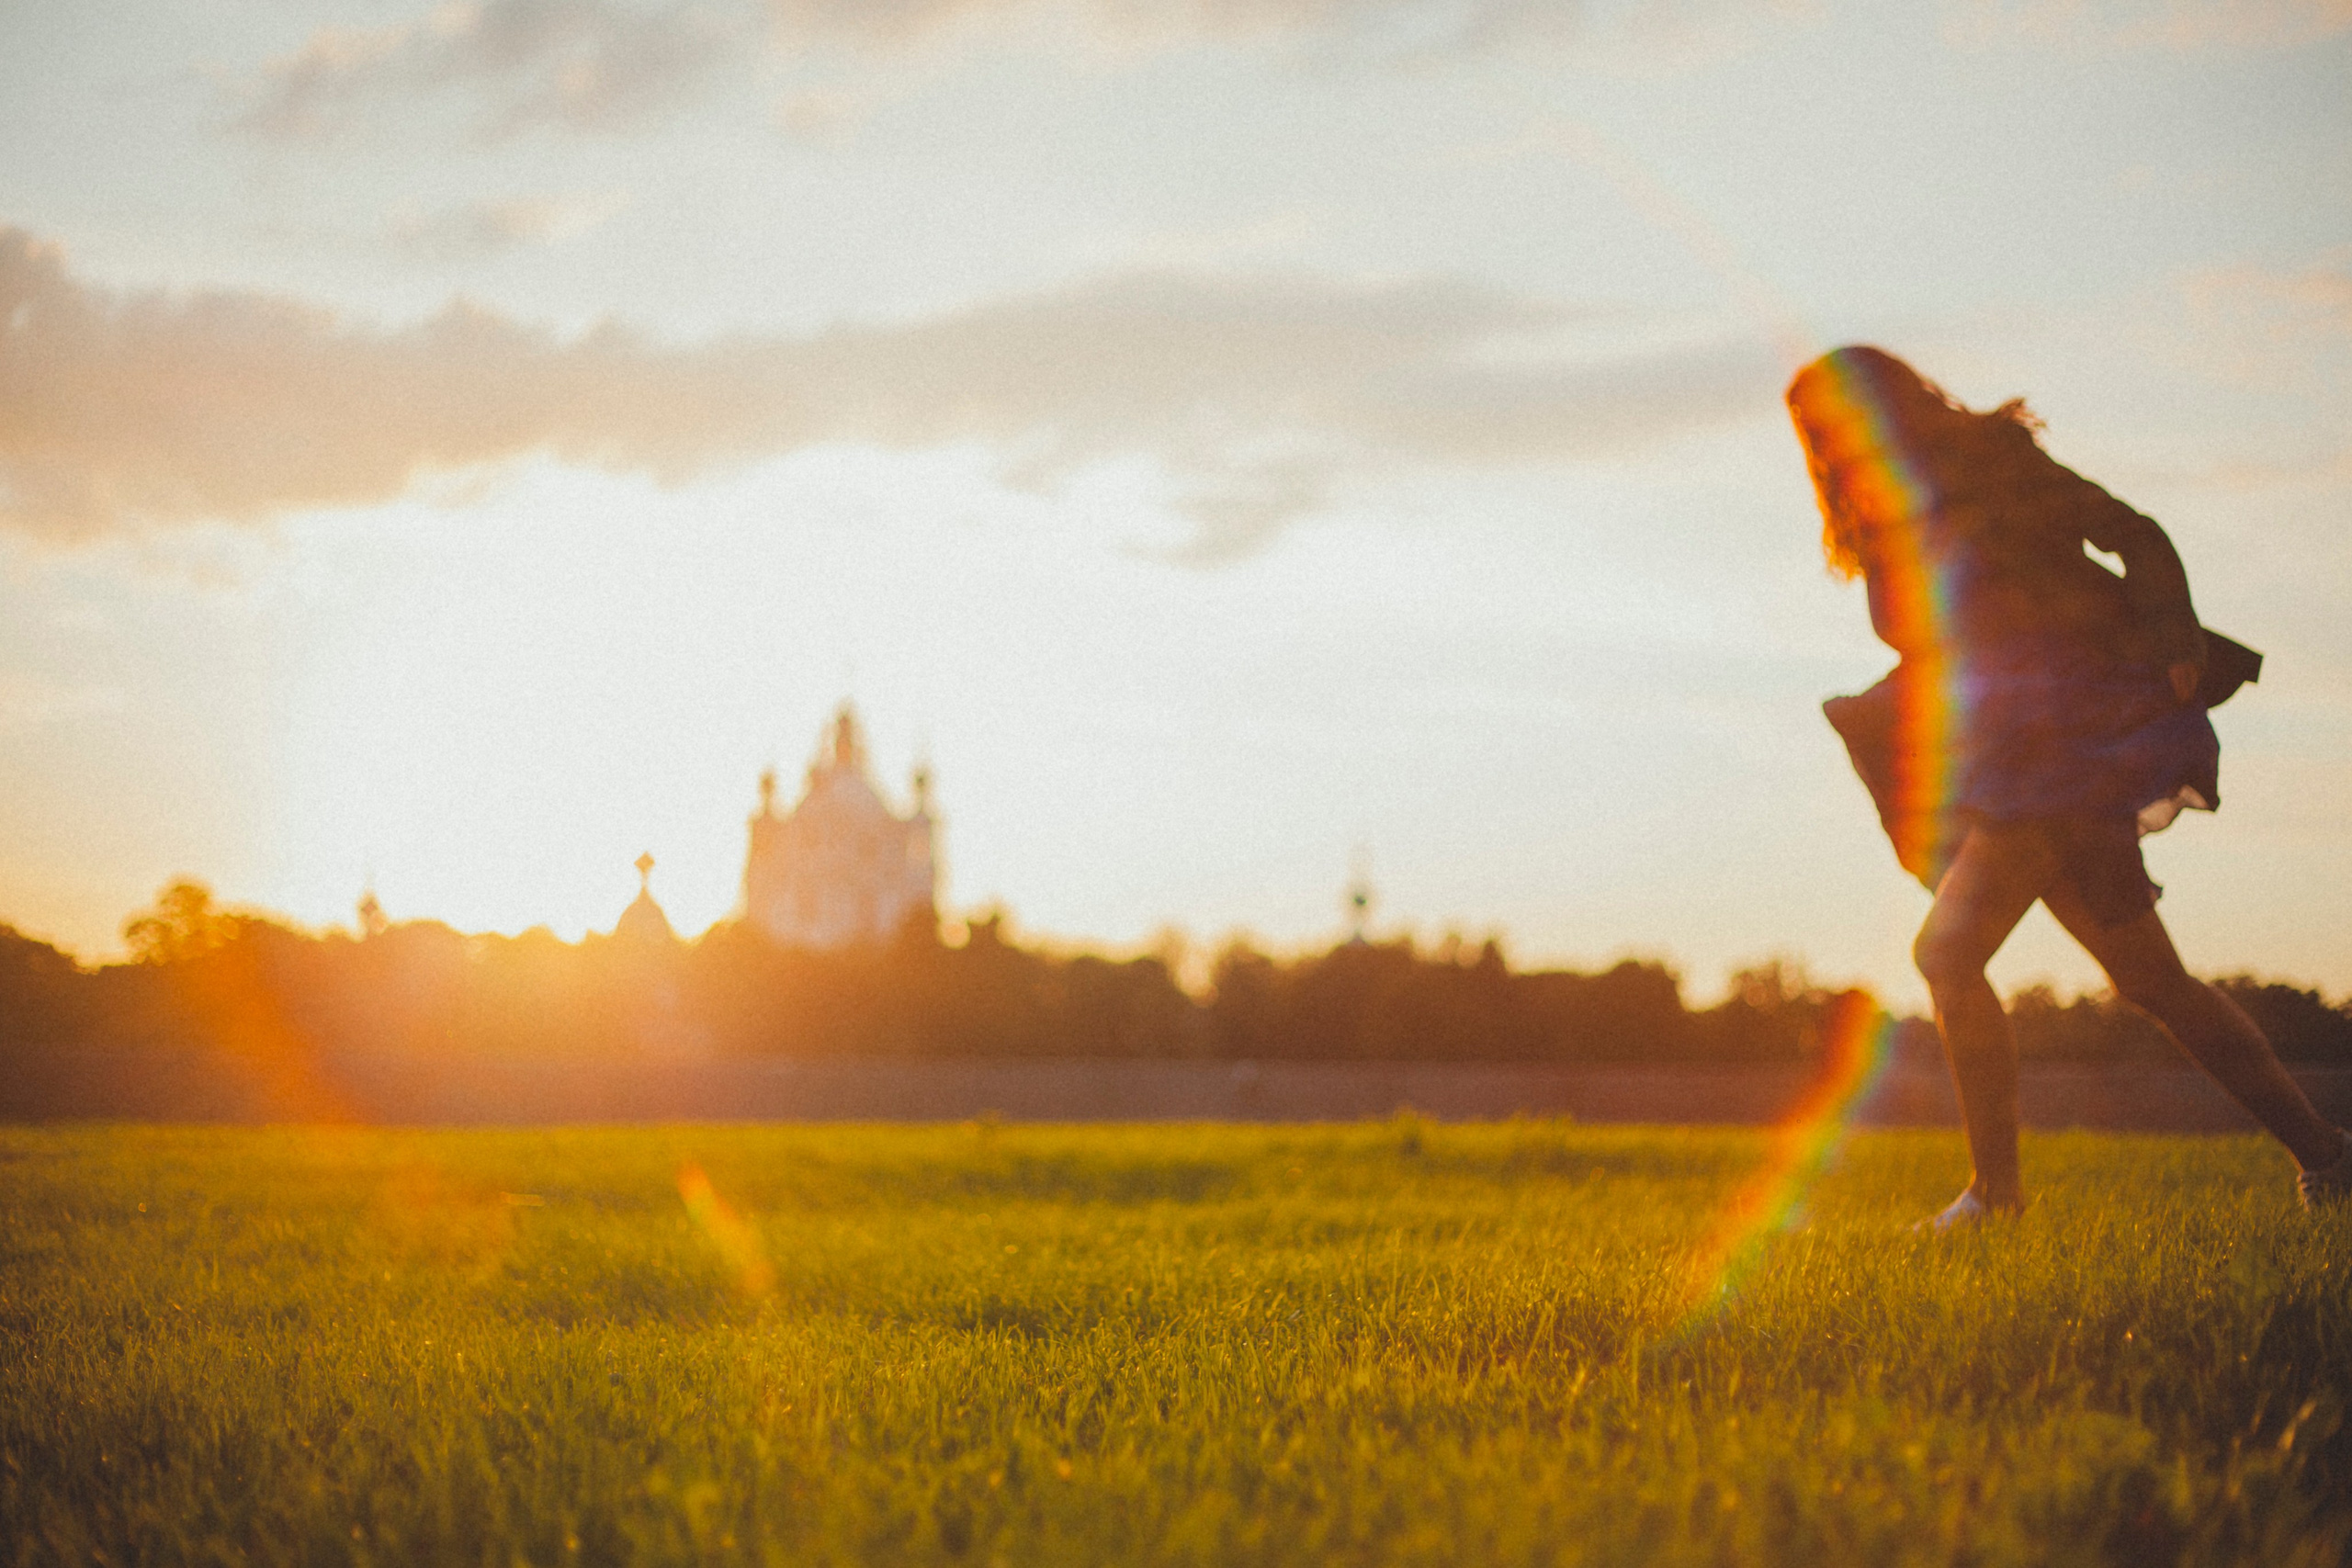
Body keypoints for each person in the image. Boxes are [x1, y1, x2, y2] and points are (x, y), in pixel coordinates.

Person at [1785, 345, 2350, 1224]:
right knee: (2154, 980)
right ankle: (2329, 1154)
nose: (1831, 444)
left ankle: (1994, 1196)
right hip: (2007, 760)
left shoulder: (1991, 457)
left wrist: (2176, 642)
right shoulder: (1881, 521)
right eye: (1817, 434)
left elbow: (2135, 531)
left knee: (1948, 952)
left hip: (2064, 751)